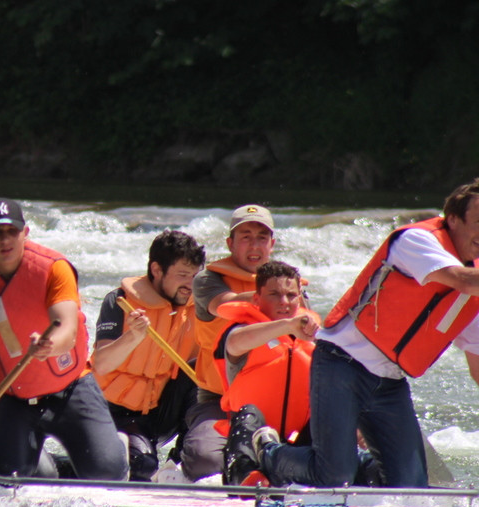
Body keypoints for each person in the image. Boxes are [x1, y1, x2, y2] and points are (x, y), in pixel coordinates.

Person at [244, 179, 479, 488]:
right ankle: (266, 451)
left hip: (389, 383)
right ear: (453, 219)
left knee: (409, 490)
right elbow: (461, 279)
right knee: (333, 476)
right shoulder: (417, 241)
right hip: (342, 365)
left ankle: (356, 464)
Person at [0, 198, 129, 480]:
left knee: (105, 473)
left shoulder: (54, 268)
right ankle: (20, 464)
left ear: (26, 233)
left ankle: (114, 449)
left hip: (71, 388)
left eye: (12, 231)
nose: (5, 240)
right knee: (6, 481)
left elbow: (67, 328)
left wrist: (49, 345)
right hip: (12, 397)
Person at [92, 230, 206, 481]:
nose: (190, 284)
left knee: (204, 369)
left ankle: (181, 462)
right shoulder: (120, 301)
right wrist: (132, 337)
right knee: (141, 468)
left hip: (158, 412)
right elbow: (101, 364)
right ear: (156, 270)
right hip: (113, 411)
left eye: (196, 276)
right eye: (183, 275)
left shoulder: (197, 307)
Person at [181, 204, 277, 480]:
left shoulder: (288, 286)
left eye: (261, 237)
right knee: (205, 461)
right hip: (217, 400)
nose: (254, 245)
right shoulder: (207, 281)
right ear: (230, 244)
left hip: (272, 399)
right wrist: (279, 297)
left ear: (272, 244)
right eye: (245, 237)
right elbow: (225, 305)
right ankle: (182, 457)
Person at [218, 261, 318, 485]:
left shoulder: (315, 339)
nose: (284, 302)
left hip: (293, 448)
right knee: (248, 413)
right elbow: (235, 342)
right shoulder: (241, 332)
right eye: (274, 295)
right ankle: (245, 477)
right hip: (251, 444)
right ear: (256, 299)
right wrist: (287, 325)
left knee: (329, 416)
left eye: (291, 295)